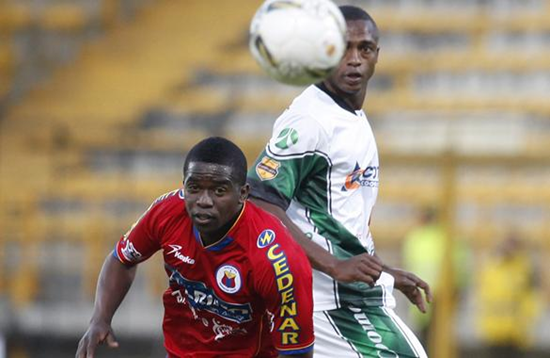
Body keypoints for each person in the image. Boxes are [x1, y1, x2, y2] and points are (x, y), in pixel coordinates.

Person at [247, 5, 431, 358]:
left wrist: (385, 272)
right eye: (342, 48)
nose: (355, 59)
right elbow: (258, 201)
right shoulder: (310, 120)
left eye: (365, 48)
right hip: (330, 304)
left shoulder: (350, 115)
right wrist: (333, 266)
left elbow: (334, 222)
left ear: (377, 55)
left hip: (349, 296)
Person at [76, 137, 315, 358]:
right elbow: (122, 259)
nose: (204, 201)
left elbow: (297, 351)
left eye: (219, 190)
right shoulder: (166, 213)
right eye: (194, 188)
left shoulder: (278, 261)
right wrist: (100, 318)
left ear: (243, 193)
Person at [475, 233, 541, 358]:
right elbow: (484, 296)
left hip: (516, 332)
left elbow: (530, 298)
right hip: (494, 330)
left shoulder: (524, 269)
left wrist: (529, 323)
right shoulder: (491, 268)